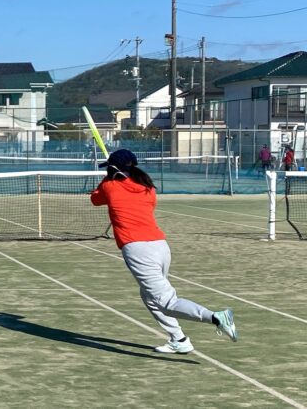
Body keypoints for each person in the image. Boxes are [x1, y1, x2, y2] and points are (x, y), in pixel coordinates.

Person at [90, 149, 238, 354]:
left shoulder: (109, 186)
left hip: (138, 249)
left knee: (166, 302)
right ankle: (179, 338)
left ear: (114, 169)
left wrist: (108, 178)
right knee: (150, 297)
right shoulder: (147, 187)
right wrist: (113, 176)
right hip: (160, 246)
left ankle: (216, 317)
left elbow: (95, 199)